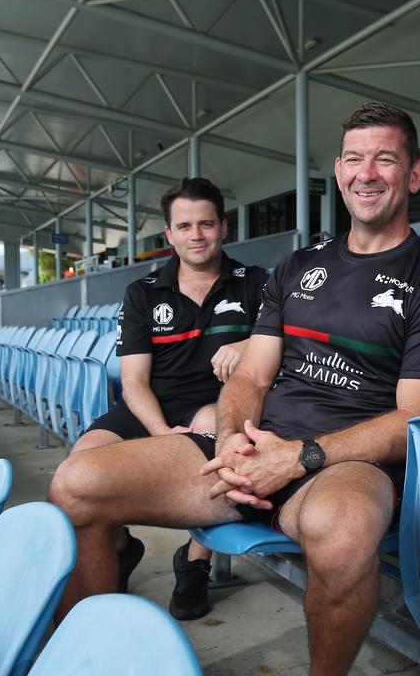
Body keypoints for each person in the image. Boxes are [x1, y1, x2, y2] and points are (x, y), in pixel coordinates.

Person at [48, 102, 420, 674]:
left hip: (343, 461)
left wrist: (298, 458)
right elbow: (250, 375)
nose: (365, 173)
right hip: (255, 443)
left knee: (343, 534)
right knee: (77, 483)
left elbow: (414, 420)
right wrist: (230, 438)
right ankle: (89, 658)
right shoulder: (299, 266)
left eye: (384, 159)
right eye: (353, 158)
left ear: (415, 175)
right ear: (339, 169)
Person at [71, 176, 268, 620]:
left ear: (223, 228)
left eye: (205, 224)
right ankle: (120, 549)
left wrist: (247, 345)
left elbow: (283, 346)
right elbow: (134, 382)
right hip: (150, 407)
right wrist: (160, 432)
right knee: (79, 465)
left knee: (212, 430)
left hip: (218, 404)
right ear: (170, 235)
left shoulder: (255, 284)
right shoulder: (142, 293)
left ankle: (196, 560)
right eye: (184, 226)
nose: (195, 235)